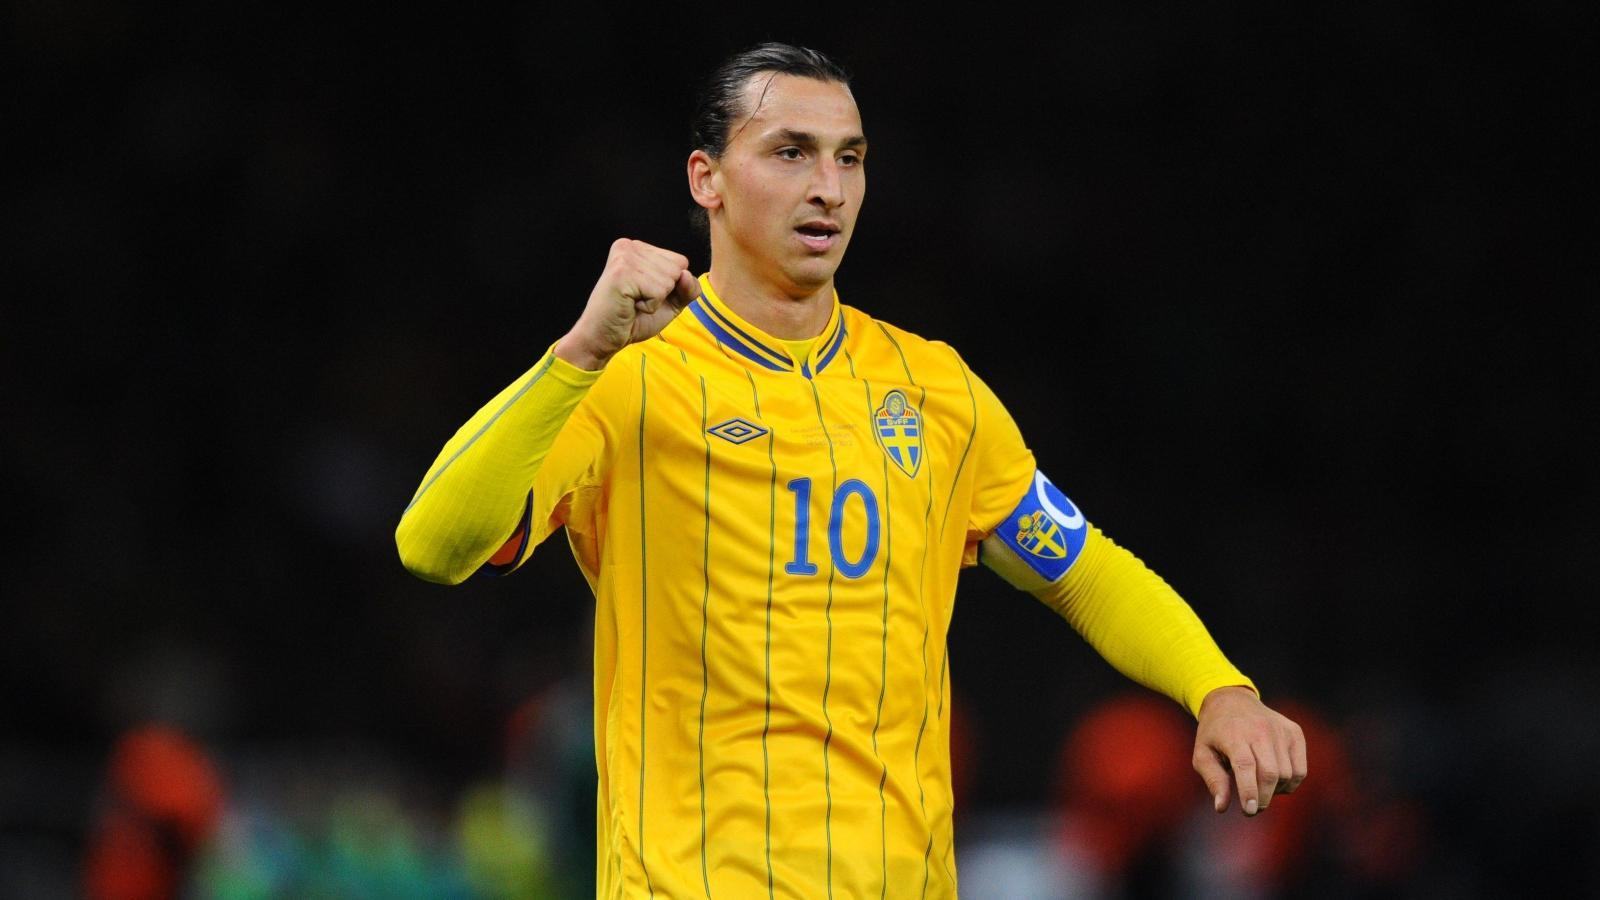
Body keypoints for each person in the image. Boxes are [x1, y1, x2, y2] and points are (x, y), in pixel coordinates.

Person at [395, 41, 1307, 898]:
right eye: (790, 153)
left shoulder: (934, 389)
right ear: (705, 179)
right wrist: (583, 347)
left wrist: (1219, 689)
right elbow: (433, 544)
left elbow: (1083, 568)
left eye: (850, 157)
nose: (828, 187)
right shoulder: (627, 382)